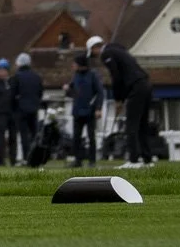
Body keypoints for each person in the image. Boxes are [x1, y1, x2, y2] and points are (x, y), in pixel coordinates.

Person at [88, 35, 155, 167]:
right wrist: (122, 98)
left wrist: (118, 99)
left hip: (136, 87)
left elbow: (116, 77)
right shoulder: (117, 49)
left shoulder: (106, 54)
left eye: (93, 53)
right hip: (145, 84)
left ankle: (133, 160)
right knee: (142, 124)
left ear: (95, 48)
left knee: (131, 125)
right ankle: (147, 160)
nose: (96, 57)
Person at [66, 54, 103, 166]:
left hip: (90, 111)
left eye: (75, 64)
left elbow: (100, 92)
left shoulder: (92, 76)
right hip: (77, 111)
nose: (73, 66)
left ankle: (92, 161)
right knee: (76, 137)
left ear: (80, 65)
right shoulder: (75, 76)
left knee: (91, 137)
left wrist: (98, 108)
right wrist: (67, 90)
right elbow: (71, 92)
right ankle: (78, 160)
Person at [14, 52, 44, 157]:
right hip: (34, 108)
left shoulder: (17, 77)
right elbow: (40, 92)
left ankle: (26, 156)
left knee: (24, 134)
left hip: (21, 109)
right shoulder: (36, 77)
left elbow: (13, 94)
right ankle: (35, 155)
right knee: (34, 133)